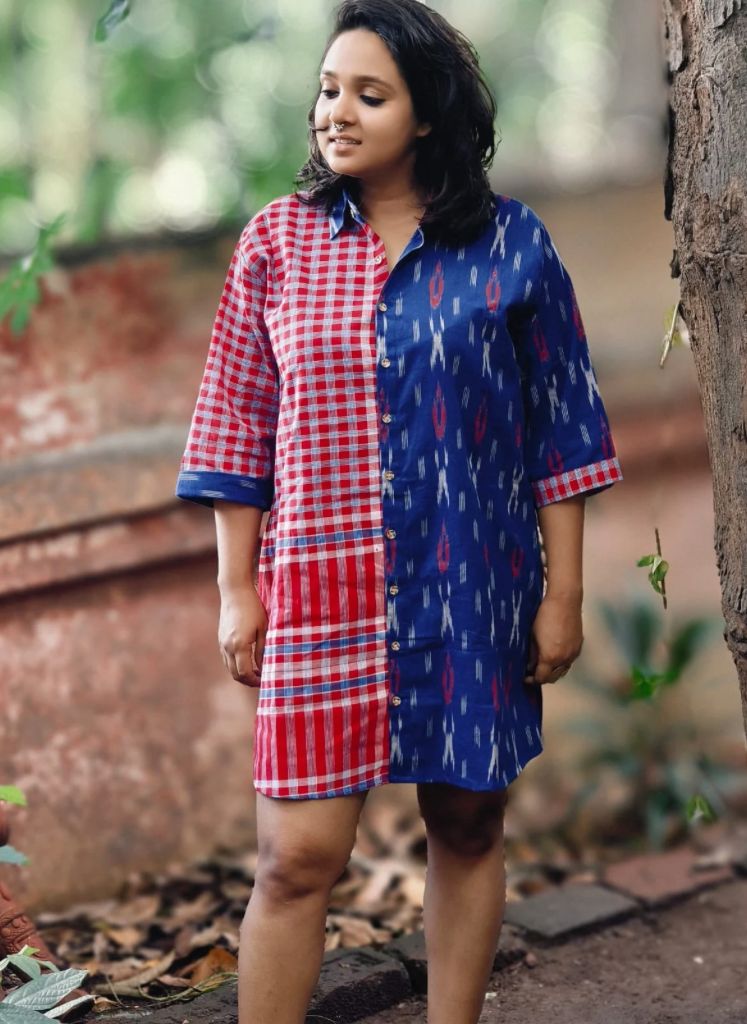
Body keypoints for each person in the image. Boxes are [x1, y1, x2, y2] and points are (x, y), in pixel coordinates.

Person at [175, 1, 624, 1021]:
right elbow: (234, 430)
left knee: (467, 825)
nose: (337, 113)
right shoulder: (277, 244)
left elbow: (565, 433)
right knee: (297, 859)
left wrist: (565, 594)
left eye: (369, 94)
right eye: (328, 91)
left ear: (427, 115)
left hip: (470, 588)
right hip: (317, 596)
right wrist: (236, 589)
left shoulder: (511, 244)